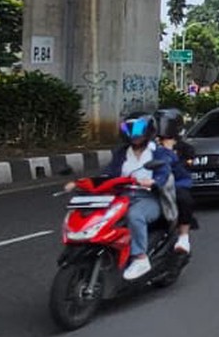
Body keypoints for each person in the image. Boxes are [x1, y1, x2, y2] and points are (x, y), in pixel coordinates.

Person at [71, 114, 175, 281]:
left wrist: (153, 181)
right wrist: (85, 183)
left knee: (135, 215)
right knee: (100, 217)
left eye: (139, 132)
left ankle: (140, 257)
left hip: (148, 198)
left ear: (149, 132)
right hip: (121, 197)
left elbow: (164, 173)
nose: (135, 136)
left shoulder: (159, 153)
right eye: (131, 132)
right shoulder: (121, 153)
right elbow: (109, 173)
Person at [154, 108, 197, 256]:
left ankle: (184, 236)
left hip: (176, 182)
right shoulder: (148, 145)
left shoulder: (183, 147)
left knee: (184, 198)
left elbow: (185, 166)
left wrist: (173, 156)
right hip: (148, 181)